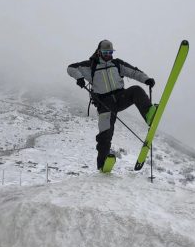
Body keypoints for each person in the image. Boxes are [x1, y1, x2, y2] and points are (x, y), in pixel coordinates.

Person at [67, 40, 157, 171]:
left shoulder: (117, 64)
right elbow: (71, 68)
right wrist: (79, 78)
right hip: (104, 103)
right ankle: (102, 164)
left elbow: (133, 72)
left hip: (121, 97)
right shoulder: (91, 65)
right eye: (105, 52)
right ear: (99, 52)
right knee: (105, 134)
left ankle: (149, 115)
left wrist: (146, 79)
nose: (108, 54)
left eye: (110, 52)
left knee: (136, 90)